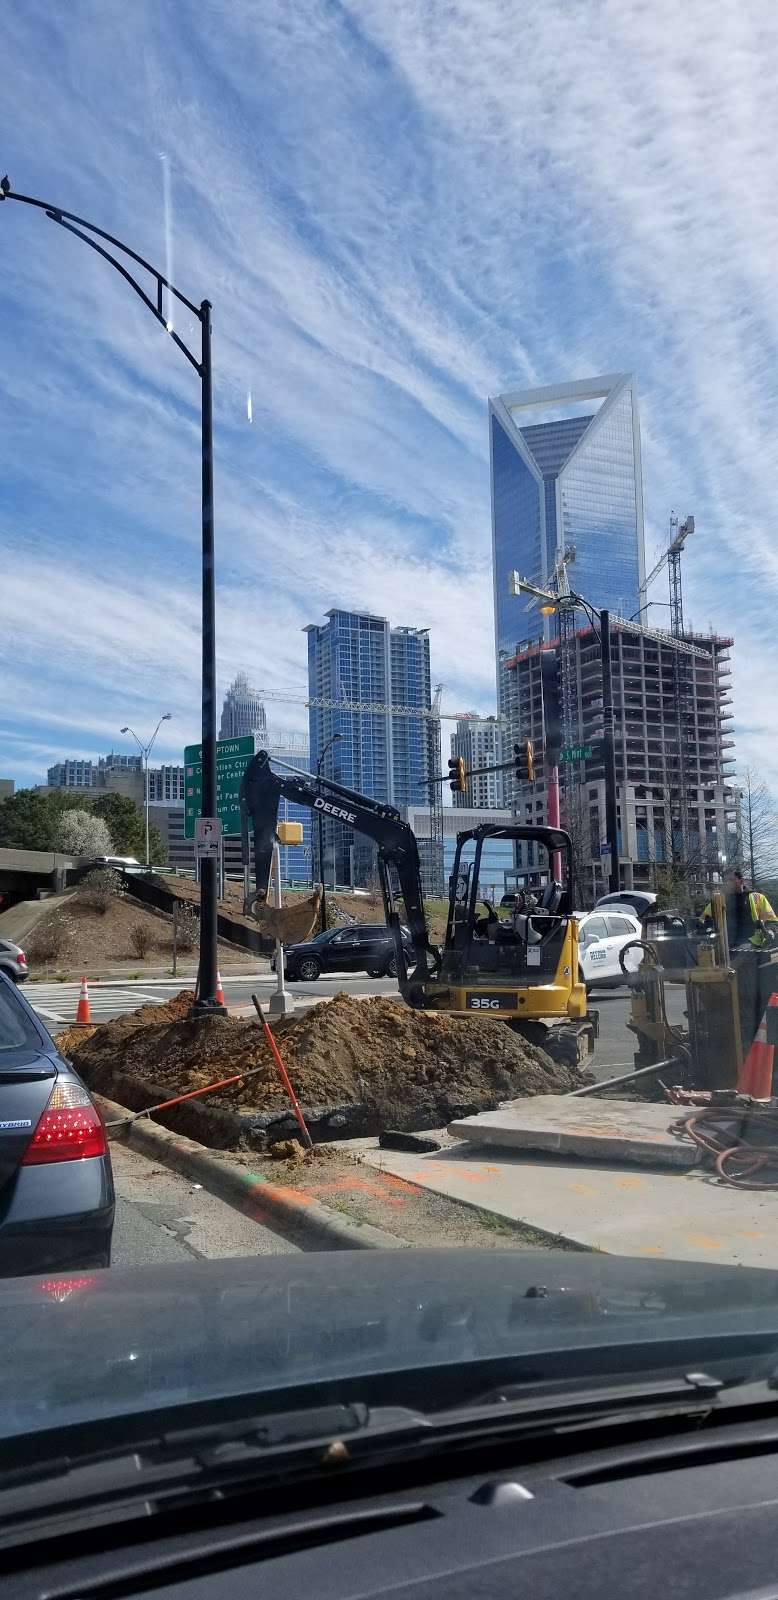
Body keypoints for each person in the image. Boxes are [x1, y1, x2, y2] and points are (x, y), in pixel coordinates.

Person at [702, 869, 777, 948]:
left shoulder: (757, 898)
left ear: (741, 881)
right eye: (725, 881)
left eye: (731, 880)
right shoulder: (719, 900)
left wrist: (770, 931)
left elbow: (772, 921)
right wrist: (709, 927)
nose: (727, 883)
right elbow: (703, 919)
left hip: (752, 945)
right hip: (725, 946)